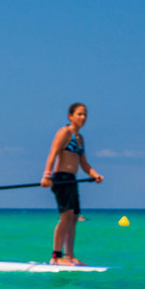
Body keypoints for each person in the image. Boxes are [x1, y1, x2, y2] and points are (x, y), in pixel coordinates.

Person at [39, 103, 103, 265]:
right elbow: (52, 153)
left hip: (72, 180)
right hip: (61, 178)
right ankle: (56, 256)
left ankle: (69, 255)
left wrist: (95, 175)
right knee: (66, 216)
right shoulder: (64, 132)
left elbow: (83, 163)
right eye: (79, 114)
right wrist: (46, 176)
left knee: (74, 218)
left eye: (85, 114)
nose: (83, 117)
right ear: (70, 116)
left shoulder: (80, 139)